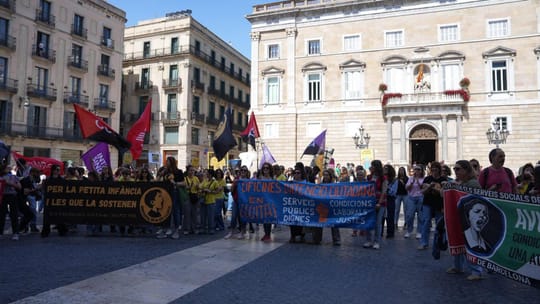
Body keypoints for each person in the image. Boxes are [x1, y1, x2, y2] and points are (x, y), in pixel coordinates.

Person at [445, 160, 485, 281]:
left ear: (466, 170)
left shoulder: (473, 184)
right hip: (459, 217)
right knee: (457, 240)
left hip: (468, 220)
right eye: (454, 169)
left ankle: (476, 271)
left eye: (458, 169)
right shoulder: (460, 182)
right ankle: (457, 266)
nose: (455, 172)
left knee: (470, 243)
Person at [418, 161, 447, 250]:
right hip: (427, 203)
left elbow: (443, 193)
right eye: (432, 169)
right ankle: (424, 242)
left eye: (436, 169)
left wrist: (433, 187)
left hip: (439, 204)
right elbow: (422, 192)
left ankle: (438, 242)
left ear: (439, 170)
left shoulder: (443, 179)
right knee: (426, 222)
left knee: (439, 224)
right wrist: (430, 187)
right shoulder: (427, 179)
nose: (434, 171)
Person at [363, 160, 387, 250]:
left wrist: (379, 203)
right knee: (368, 221)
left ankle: (377, 241)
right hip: (370, 202)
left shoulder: (383, 178)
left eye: (372, 165)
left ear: (376, 167)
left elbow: (384, 191)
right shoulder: (369, 177)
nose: (371, 167)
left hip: (380, 203)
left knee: (377, 222)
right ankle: (368, 240)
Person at [224, 165, 250, 239]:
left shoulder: (248, 181)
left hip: (244, 202)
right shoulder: (237, 179)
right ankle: (232, 232)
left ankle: (242, 232)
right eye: (242, 170)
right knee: (234, 216)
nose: (243, 172)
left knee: (242, 218)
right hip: (236, 201)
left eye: (245, 170)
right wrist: (235, 184)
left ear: (247, 172)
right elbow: (232, 190)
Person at [0, 164, 22, 240]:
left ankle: (15, 233)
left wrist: (10, 184)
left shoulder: (13, 176)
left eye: (9, 167)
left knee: (14, 214)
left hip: (12, 196)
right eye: (7, 167)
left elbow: (19, 187)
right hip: (2, 197)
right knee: (1, 215)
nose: (8, 168)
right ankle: (0, 232)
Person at [404, 164, 424, 239]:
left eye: (419, 169)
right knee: (409, 215)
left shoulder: (423, 179)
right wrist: (412, 183)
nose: (417, 171)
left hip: (420, 197)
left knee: (420, 216)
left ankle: (419, 231)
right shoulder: (411, 178)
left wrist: (418, 181)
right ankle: (409, 230)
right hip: (411, 198)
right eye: (415, 169)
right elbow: (407, 188)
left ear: (421, 171)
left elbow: (422, 187)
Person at [288, 163, 306, 243]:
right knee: (292, 220)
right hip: (293, 204)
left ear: (301, 174)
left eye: (298, 173)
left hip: (302, 205)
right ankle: (293, 236)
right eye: (295, 173)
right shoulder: (290, 183)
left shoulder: (306, 183)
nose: (296, 174)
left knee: (302, 220)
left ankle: (302, 235)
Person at [259, 162, 274, 242]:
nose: (265, 169)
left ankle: (268, 235)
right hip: (262, 201)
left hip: (270, 201)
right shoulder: (260, 178)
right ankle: (266, 234)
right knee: (264, 218)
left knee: (268, 218)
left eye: (267, 168)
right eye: (264, 168)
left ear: (270, 169)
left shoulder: (272, 179)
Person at [183, 165, 200, 235]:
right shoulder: (185, 179)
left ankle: (194, 228)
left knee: (194, 213)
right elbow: (184, 188)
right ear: (187, 171)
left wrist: (198, 187)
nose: (192, 172)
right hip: (187, 197)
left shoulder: (196, 178)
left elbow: (199, 187)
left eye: (193, 170)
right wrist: (190, 186)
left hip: (195, 196)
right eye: (190, 170)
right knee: (187, 214)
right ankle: (187, 229)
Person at [351, 165, 366, 237]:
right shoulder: (354, 183)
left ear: (363, 176)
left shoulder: (366, 183)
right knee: (355, 217)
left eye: (361, 175)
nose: (360, 176)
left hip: (363, 202)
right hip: (355, 202)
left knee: (363, 216)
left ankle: (362, 230)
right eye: (359, 175)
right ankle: (355, 231)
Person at [383, 164, 396, 238]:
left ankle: (390, 233)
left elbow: (393, 192)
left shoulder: (394, 180)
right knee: (381, 216)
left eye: (386, 168)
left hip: (390, 199)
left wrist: (386, 188)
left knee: (390, 216)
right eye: (384, 168)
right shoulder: (382, 178)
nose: (385, 170)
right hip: (383, 198)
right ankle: (380, 232)